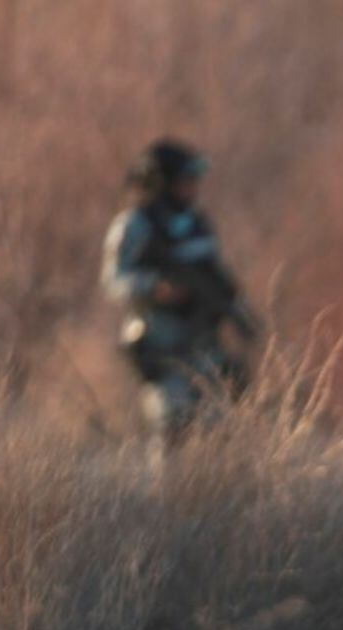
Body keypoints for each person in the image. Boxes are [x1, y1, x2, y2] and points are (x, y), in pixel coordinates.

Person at [101, 139, 259, 440]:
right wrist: (155, 287)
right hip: (159, 339)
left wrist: (238, 312)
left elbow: (216, 277)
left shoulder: (196, 223)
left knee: (220, 421)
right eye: (186, 180)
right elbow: (113, 280)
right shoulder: (134, 225)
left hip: (202, 341)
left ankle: (213, 485)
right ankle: (169, 488)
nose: (193, 187)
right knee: (172, 424)